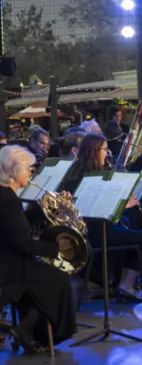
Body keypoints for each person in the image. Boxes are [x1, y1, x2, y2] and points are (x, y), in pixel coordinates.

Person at [0, 145, 77, 354]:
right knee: (59, 278)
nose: (30, 173)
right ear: (15, 171)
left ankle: (26, 329)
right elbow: (24, 243)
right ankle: (29, 330)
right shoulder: (8, 200)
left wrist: (47, 211)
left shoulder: (6, 196)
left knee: (48, 278)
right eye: (28, 169)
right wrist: (56, 247)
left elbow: (18, 225)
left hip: (9, 260)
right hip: (9, 267)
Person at [60, 134, 142, 301]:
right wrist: (125, 204)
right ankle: (126, 285)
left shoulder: (74, 172)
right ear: (95, 151)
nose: (107, 153)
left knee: (131, 233)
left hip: (85, 231)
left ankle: (114, 282)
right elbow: (101, 209)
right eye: (104, 149)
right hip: (97, 231)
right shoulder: (96, 176)